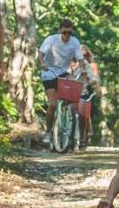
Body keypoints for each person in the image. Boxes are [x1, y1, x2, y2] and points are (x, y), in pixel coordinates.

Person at [37, 19, 83, 148]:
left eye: (69, 32)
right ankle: (48, 132)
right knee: (52, 103)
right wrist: (42, 63)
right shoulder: (51, 40)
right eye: (64, 32)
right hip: (49, 73)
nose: (67, 35)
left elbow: (80, 59)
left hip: (63, 73)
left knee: (69, 99)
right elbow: (40, 54)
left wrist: (83, 69)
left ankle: (67, 125)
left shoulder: (74, 42)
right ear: (60, 31)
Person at [70, 44, 101, 149]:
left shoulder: (86, 64)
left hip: (82, 92)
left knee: (83, 114)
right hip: (67, 92)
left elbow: (93, 77)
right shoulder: (66, 63)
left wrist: (92, 80)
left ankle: (83, 137)